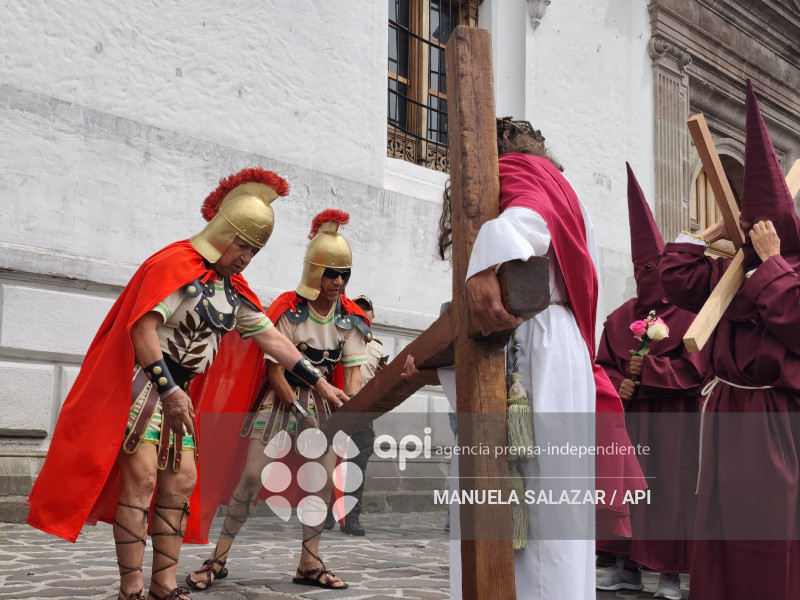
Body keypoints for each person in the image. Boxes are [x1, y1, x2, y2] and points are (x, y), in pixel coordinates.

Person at [25, 168, 349, 600]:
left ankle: (163, 584)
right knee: (140, 480)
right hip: (145, 389)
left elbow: (272, 337)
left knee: (180, 485)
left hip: (181, 399)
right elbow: (142, 332)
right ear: (223, 233)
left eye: (253, 252)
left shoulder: (235, 292)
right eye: (243, 246)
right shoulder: (174, 266)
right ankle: (132, 588)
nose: (245, 258)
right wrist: (170, 391)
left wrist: (321, 383)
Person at [410, 117, 645, 599]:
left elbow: (528, 223)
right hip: (553, 350)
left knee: (537, 512)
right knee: (543, 512)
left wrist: (484, 267)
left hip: (534, 345)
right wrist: (440, 362)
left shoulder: (521, 175)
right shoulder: (567, 193)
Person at [659, 81, 800, 600]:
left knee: (765, 529)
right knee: (717, 527)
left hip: (775, 421)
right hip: (723, 413)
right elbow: (673, 280)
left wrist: (774, 263)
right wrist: (707, 231)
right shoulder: (730, 271)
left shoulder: (790, 269)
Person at [187, 209, 370, 592]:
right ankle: (217, 559)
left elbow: (350, 381)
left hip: (325, 406)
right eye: (330, 273)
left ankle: (309, 562)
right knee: (251, 478)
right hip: (282, 399)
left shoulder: (352, 320)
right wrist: (301, 412)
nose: (337, 282)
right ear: (313, 271)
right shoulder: (289, 309)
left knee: (320, 484)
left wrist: (348, 413)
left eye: (344, 274)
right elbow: (274, 372)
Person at [595, 164, 711, 600]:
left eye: (653, 265)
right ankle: (624, 567)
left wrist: (651, 373)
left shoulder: (690, 314)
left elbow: (698, 369)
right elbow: (602, 364)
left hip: (673, 426)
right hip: (629, 426)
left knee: (668, 496)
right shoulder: (620, 317)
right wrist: (616, 381)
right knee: (625, 492)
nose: (646, 273)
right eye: (639, 266)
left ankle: (668, 574)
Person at [323, 294, 382, 536]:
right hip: (336, 408)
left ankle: (351, 517)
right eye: (358, 309)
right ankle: (325, 513)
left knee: (356, 466)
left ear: (372, 316)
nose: (363, 313)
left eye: (366, 310)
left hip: (363, 413)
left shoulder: (377, 346)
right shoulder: (336, 336)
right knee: (329, 463)